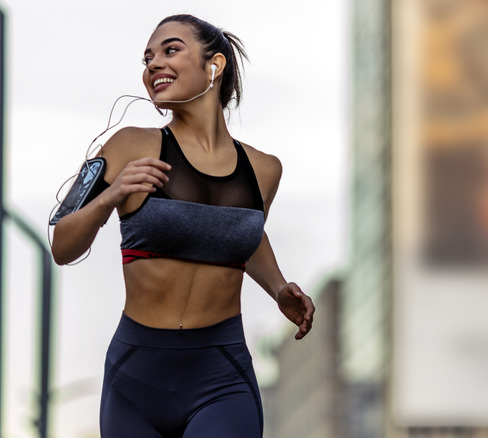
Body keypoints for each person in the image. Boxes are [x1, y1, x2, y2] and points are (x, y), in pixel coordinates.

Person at [50, 14, 315, 438]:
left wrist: (280, 287)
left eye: (170, 50)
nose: (153, 64)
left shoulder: (264, 169)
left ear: (215, 65)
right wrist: (113, 193)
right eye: (147, 58)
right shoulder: (129, 145)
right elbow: (62, 244)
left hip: (221, 377)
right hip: (136, 377)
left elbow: (241, 235)